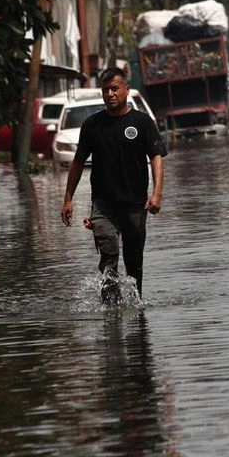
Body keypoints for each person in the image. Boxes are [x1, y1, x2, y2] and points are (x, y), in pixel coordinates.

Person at [61, 67, 166, 304]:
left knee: (134, 263)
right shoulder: (92, 125)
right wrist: (68, 199)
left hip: (135, 205)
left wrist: (157, 193)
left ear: (126, 90)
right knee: (109, 256)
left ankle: (137, 309)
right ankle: (110, 310)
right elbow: (77, 163)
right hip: (103, 206)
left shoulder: (142, 122)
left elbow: (156, 157)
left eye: (114, 88)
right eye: (105, 90)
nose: (110, 94)